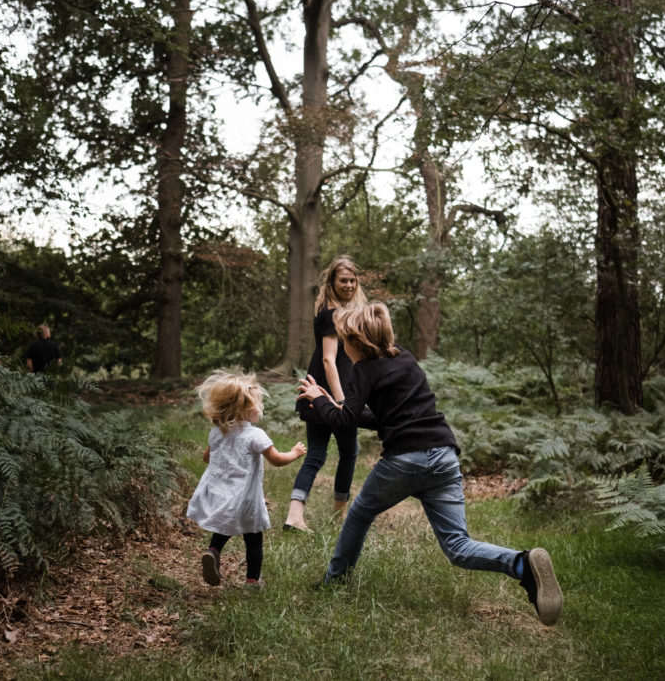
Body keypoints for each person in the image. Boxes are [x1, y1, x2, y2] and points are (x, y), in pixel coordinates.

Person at [296, 303, 563, 626]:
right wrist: (334, 403)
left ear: (357, 342)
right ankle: (521, 564)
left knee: (360, 513)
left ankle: (334, 581)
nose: (342, 348)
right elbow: (382, 417)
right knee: (457, 546)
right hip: (444, 457)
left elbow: (345, 422)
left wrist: (319, 398)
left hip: (405, 460)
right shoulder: (405, 358)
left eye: (344, 341)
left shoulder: (363, 370)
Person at [186, 369, 306, 586]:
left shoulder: (218, 432)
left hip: (223, 495)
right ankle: (252, 581)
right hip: (247, 498)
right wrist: (295, 453)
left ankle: (213, 551)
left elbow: (206, 458)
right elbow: (277, 460)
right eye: (258, 404)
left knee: (223, 527)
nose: (260, 408)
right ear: (245, 409)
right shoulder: (255, 435)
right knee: (254, 540)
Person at [283, 255, 367, 532]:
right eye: (343, 280)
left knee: (322, 454)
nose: (349, 284)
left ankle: (296, 516)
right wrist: (341, 402)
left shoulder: (341, 314)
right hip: (326, 394)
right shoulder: (332, 315)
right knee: (345, 453)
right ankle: (335, 517)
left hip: (318, 392)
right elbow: (329, 361)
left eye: (353, 280)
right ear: (331, 283)